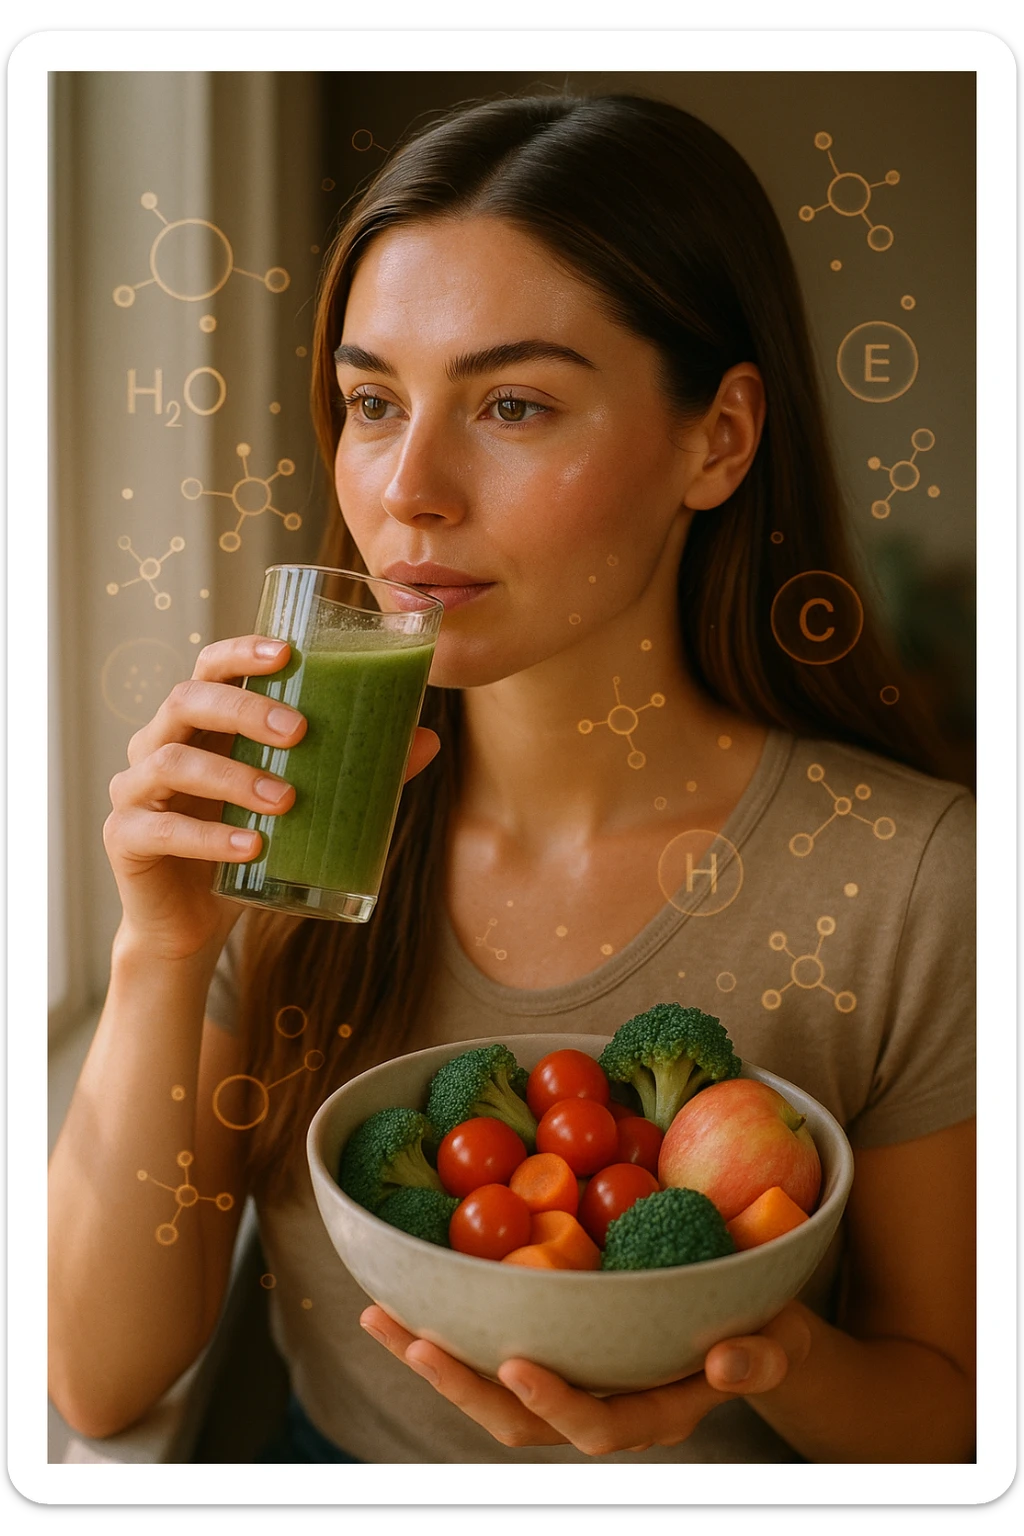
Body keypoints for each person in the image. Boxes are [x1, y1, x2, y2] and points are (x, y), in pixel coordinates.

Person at [48, 91, 976, 1466]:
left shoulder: (919, 881)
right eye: (373, 402)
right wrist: (160, 950)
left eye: (514, 404)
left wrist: (765, 1354)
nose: (407, 488)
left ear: (718, 440)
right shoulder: (290, 827)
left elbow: (957, 1422)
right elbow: (97, 1382)